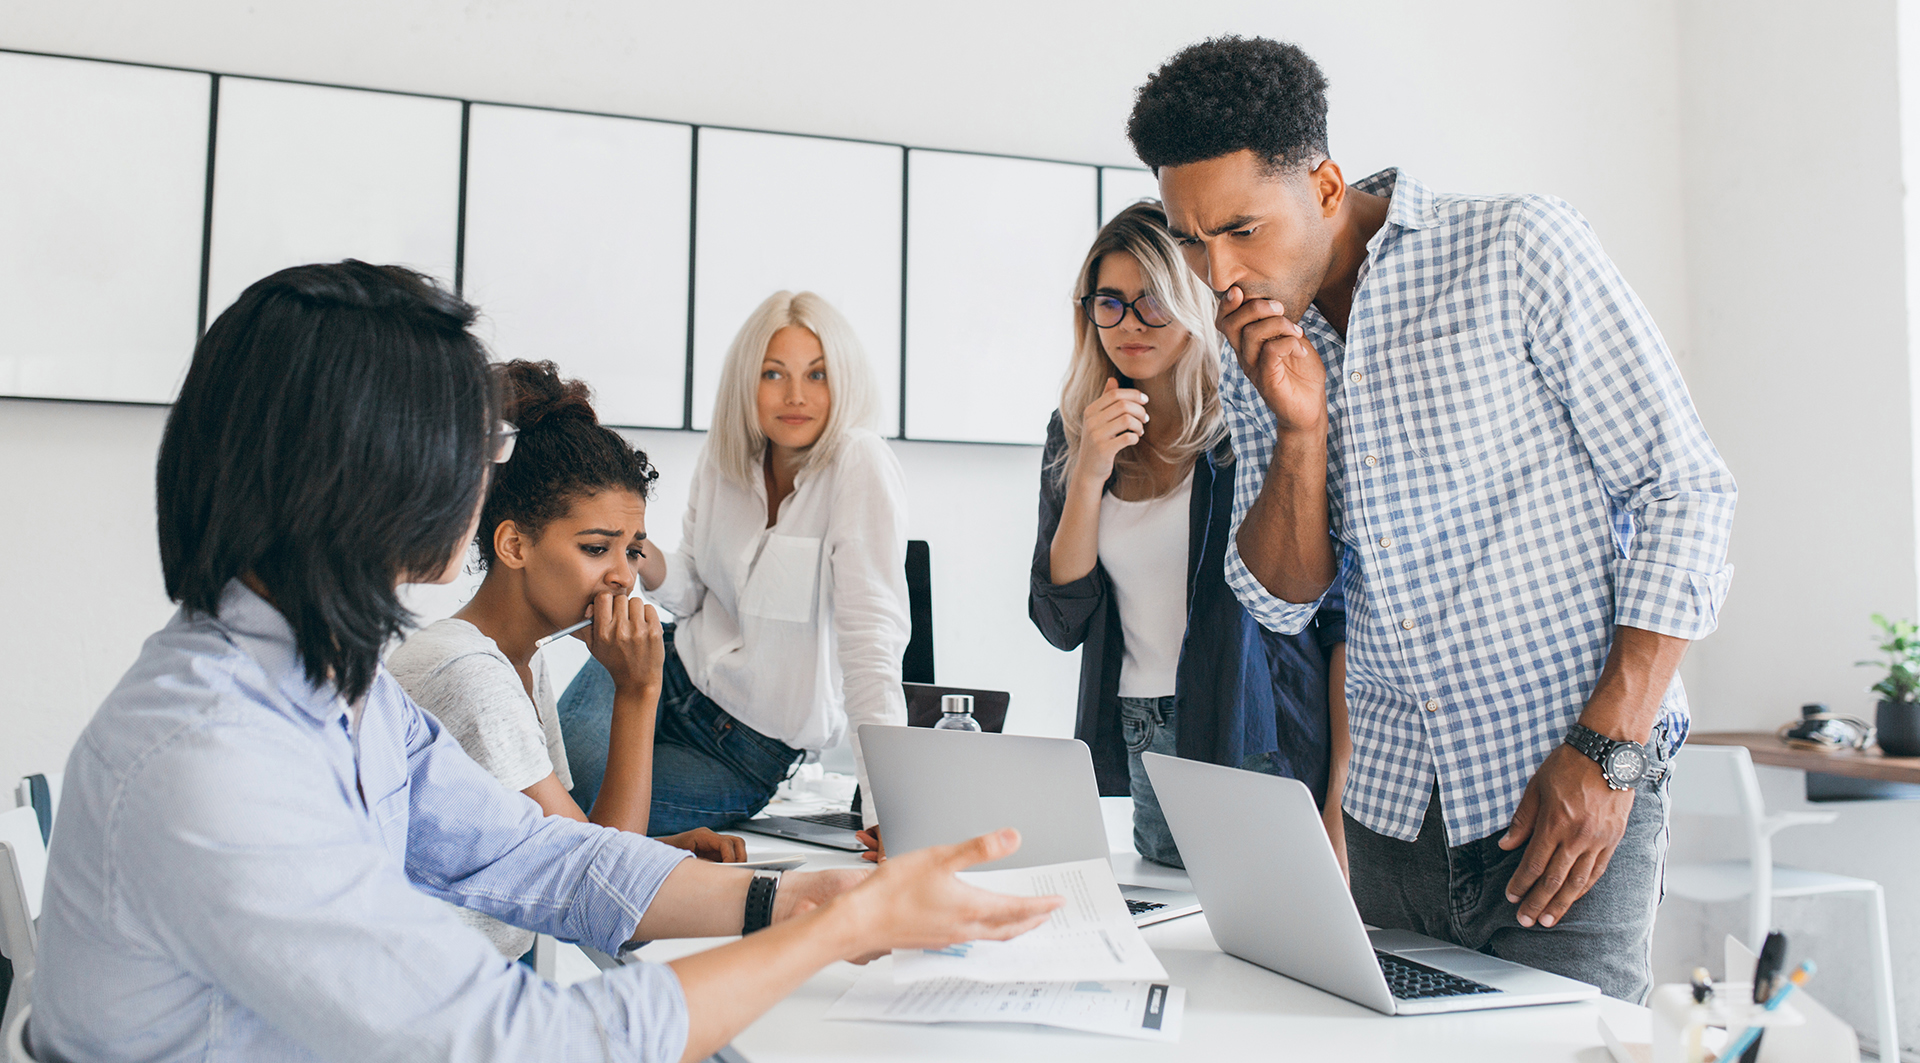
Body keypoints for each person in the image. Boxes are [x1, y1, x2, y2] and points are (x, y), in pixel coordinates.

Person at [27, 261, 1059, 1063]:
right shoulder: (212, 757)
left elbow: (529, 854)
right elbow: (512, 1042)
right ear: (362, 467)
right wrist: (826, 935)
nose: (484, 476)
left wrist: (799, 902)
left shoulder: (328, 683)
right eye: (467, 444)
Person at [1126, 37, 1736, 1001]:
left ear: (1325, 185)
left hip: (1564, 793)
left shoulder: (1517, 247)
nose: (1217, 271)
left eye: (1241, 229)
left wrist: (1608, 752)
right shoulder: (1255, 336)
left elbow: (1682, 492)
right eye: (1191, 238)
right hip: (1392, 814)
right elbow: (1281, 599)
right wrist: (1300, 430)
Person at [388, 359, 746, 961]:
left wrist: (663, 852)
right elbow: (608, 906)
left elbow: (566, 847)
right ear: (514, 544)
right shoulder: (471, 676)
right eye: (595, 548)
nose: (622, 577)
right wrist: (637, 693)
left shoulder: (518, 663)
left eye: (632, 552)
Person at [1028, 199, 1348, 870]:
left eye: (1153, 302)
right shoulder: (1076, 432)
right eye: (1109, 303)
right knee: (1176, 930)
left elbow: (1335, 617)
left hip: (1253, 723)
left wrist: (1340, 796)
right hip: (1142, 725)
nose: (1129, 324)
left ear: (1190, 300)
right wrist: (1088, 472)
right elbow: (1061, 618)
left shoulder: (1248, 427)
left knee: (1268, 935)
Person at [561, 290, 908, 835]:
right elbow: (696, 590)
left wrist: (889, 812)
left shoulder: (857, 464)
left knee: (582, 797)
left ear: (843, 380)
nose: (795, 395)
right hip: (672, 663)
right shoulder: (724, 458)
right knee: (544, 767)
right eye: (774, 374)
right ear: (748, 380)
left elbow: (873, 645)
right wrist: (635, 551)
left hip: (744, 750)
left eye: (817, 375)